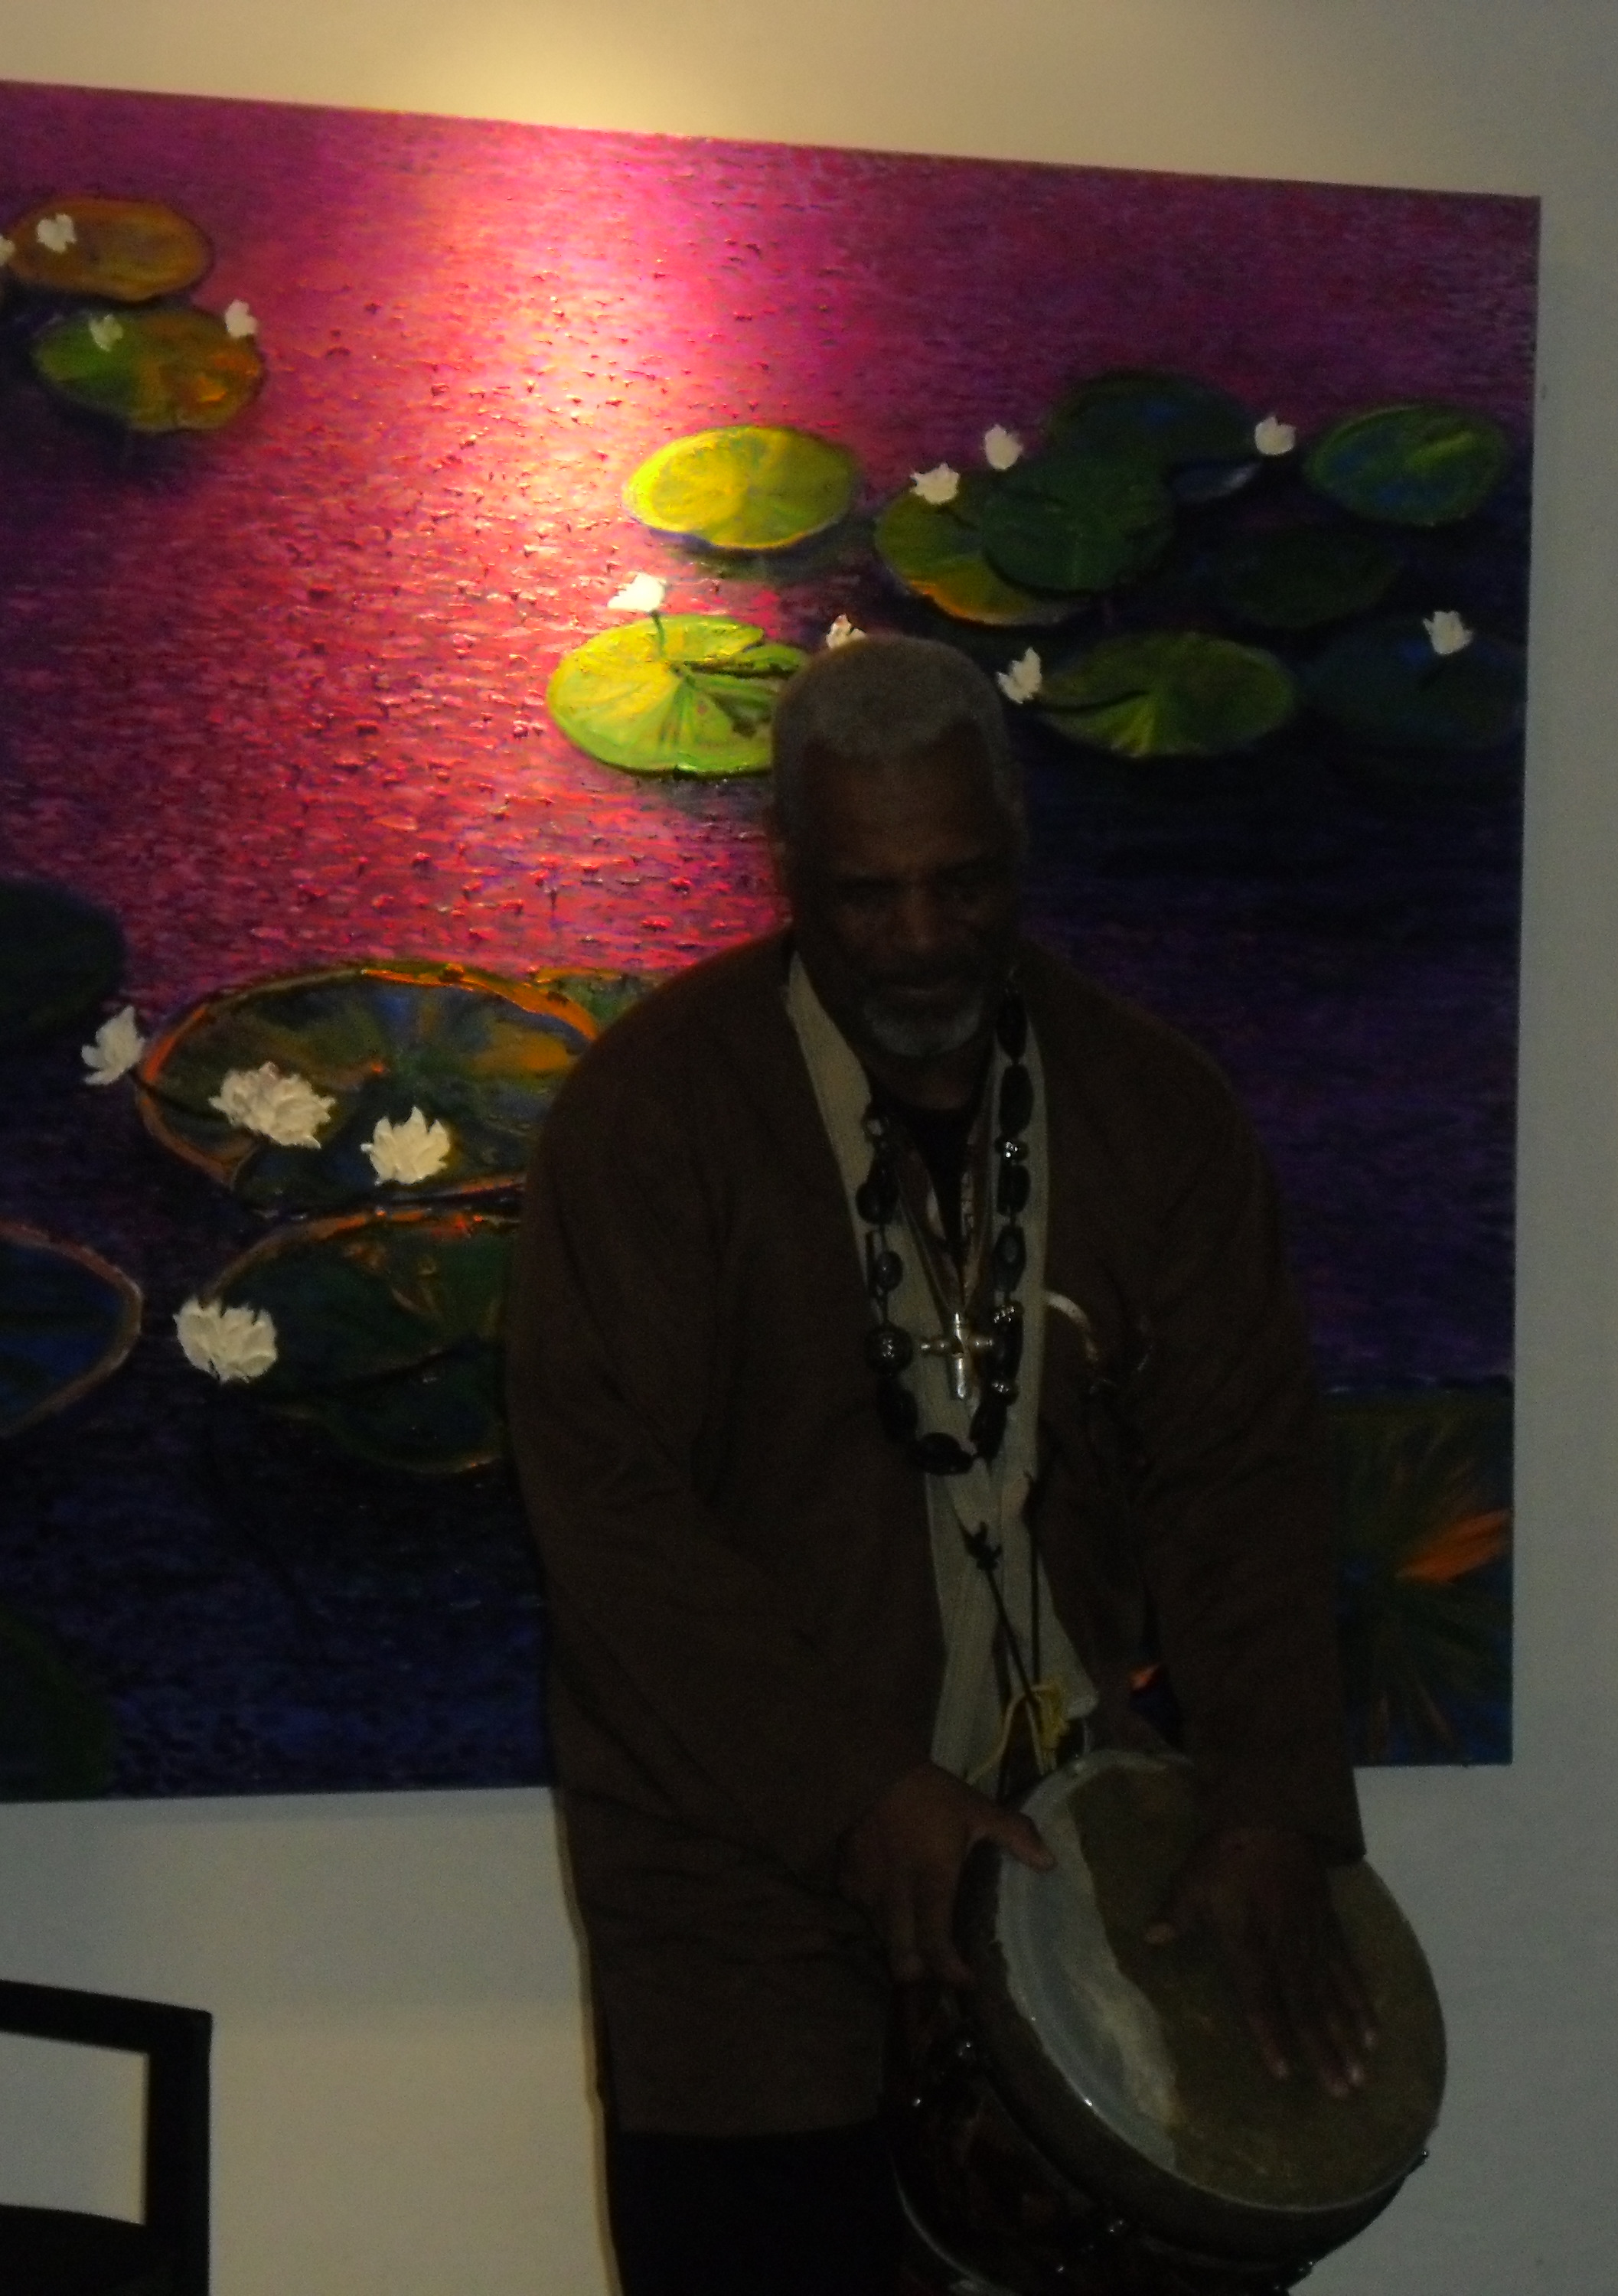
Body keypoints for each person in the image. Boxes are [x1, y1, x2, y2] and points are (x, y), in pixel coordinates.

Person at [507, 634, 1374, 2296]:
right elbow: (614, 1528)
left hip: (1071, 1878)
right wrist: (859, 1792)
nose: (918, 937)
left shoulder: (1154, 1112)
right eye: (867, 895)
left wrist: (1270, 1807)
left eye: (961, 885)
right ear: (787, 870)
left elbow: (1243, 1482)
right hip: (738, 1904)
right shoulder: (650, 1119)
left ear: (1018, 846)